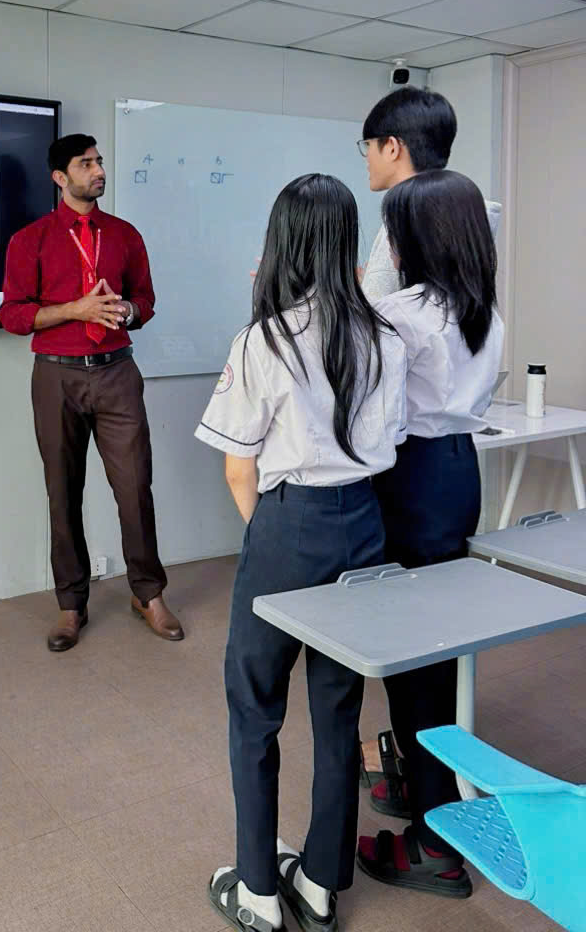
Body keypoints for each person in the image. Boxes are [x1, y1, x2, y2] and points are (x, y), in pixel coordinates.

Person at [198, 175, 407, 932]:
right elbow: (393, 438)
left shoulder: (265, 339)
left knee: (255, 708)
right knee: (338, 710)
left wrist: (273, 536)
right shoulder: (386, 336)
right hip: (365, 526)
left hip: (289, 526)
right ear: (347, 242)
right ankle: (320, 884)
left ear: (281, 243)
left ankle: (257, 890)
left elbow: (238, 470)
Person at [356, 169, 504, 900]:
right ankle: (426, 789)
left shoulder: (401, 314)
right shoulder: (484, 310)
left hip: (408, 478)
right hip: (457, 473)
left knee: (410, 658)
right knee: (438, 649)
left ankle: (433, 843)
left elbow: (373, 416)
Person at [0, 134, 183, 652]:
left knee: (135, 488)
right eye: (86, 164)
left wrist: (128, 311)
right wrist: (74, 311)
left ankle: (148, 594)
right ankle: (71, 604)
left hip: (117, 373)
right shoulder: (30, 240)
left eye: (99, 161)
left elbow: (145, 299)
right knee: (62, 491)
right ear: (60, 177)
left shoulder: (124, 234)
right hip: (56, 377)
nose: (99, 170)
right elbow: (12, 315)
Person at [359, 87, 501, 301]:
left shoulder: (404, 222)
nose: (367, 157)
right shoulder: (466, 215)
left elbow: (377, 316)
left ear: (391, 147)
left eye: (368, 145)